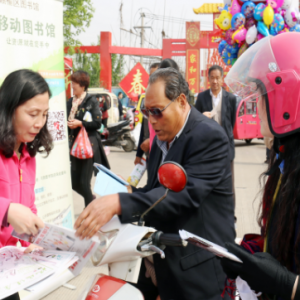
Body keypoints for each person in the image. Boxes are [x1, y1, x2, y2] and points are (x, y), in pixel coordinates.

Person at [74, 68, 235, 300]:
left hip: (199, 269)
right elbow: (155, 192)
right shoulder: (163, 138)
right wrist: (122, 198)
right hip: (163, 259)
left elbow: (181, 196)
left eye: (158, 111)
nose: (151, 120)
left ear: (181, 101)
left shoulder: (209, 137)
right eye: (147, 112)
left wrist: (119, 202)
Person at [220, 33, 300, 300]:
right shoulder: (286, 162)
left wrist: (289, 285)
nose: (256, 103)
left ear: (287, 95)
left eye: (262, 92)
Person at [0, 69, 53, 300]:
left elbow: (27, 208)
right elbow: (12, 210)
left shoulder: (27, 155)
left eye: (45, 114)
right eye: (33, 114)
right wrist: (7, 210)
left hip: (7, 271)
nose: (40, 123)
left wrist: (29, 242)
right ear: (9, 109)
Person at [195, 65, 237, 207]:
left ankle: (230, 215)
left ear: (222, 79)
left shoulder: (230, 98)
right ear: (208, 79)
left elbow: (231, 121)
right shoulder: (201, 97)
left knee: (229, 183)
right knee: (209, 181)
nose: (215, 81)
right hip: (207, 148)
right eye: (212, 78)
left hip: (226, 148)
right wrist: (202, 116)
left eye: (217, 78)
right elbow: (194, 119)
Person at [67, 71, 110, 207]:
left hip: (88, 147)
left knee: (85, 183)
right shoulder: (70, 102)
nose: (72, 86)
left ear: (82, 85)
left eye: (74, 83)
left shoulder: (91, 101)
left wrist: (81, 123)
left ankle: (88, 212)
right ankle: (90, 199)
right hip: (74, 147)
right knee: (74, 183)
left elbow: (98, 124)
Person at [135, 62, 160, 166]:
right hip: (149, 153)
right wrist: (138, 155)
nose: (151, 79)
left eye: (155, 75)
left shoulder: (166, 101)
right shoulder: (147, 99)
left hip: (161, 153)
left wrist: (152, 140)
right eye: (150, 76)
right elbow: (144, 128)